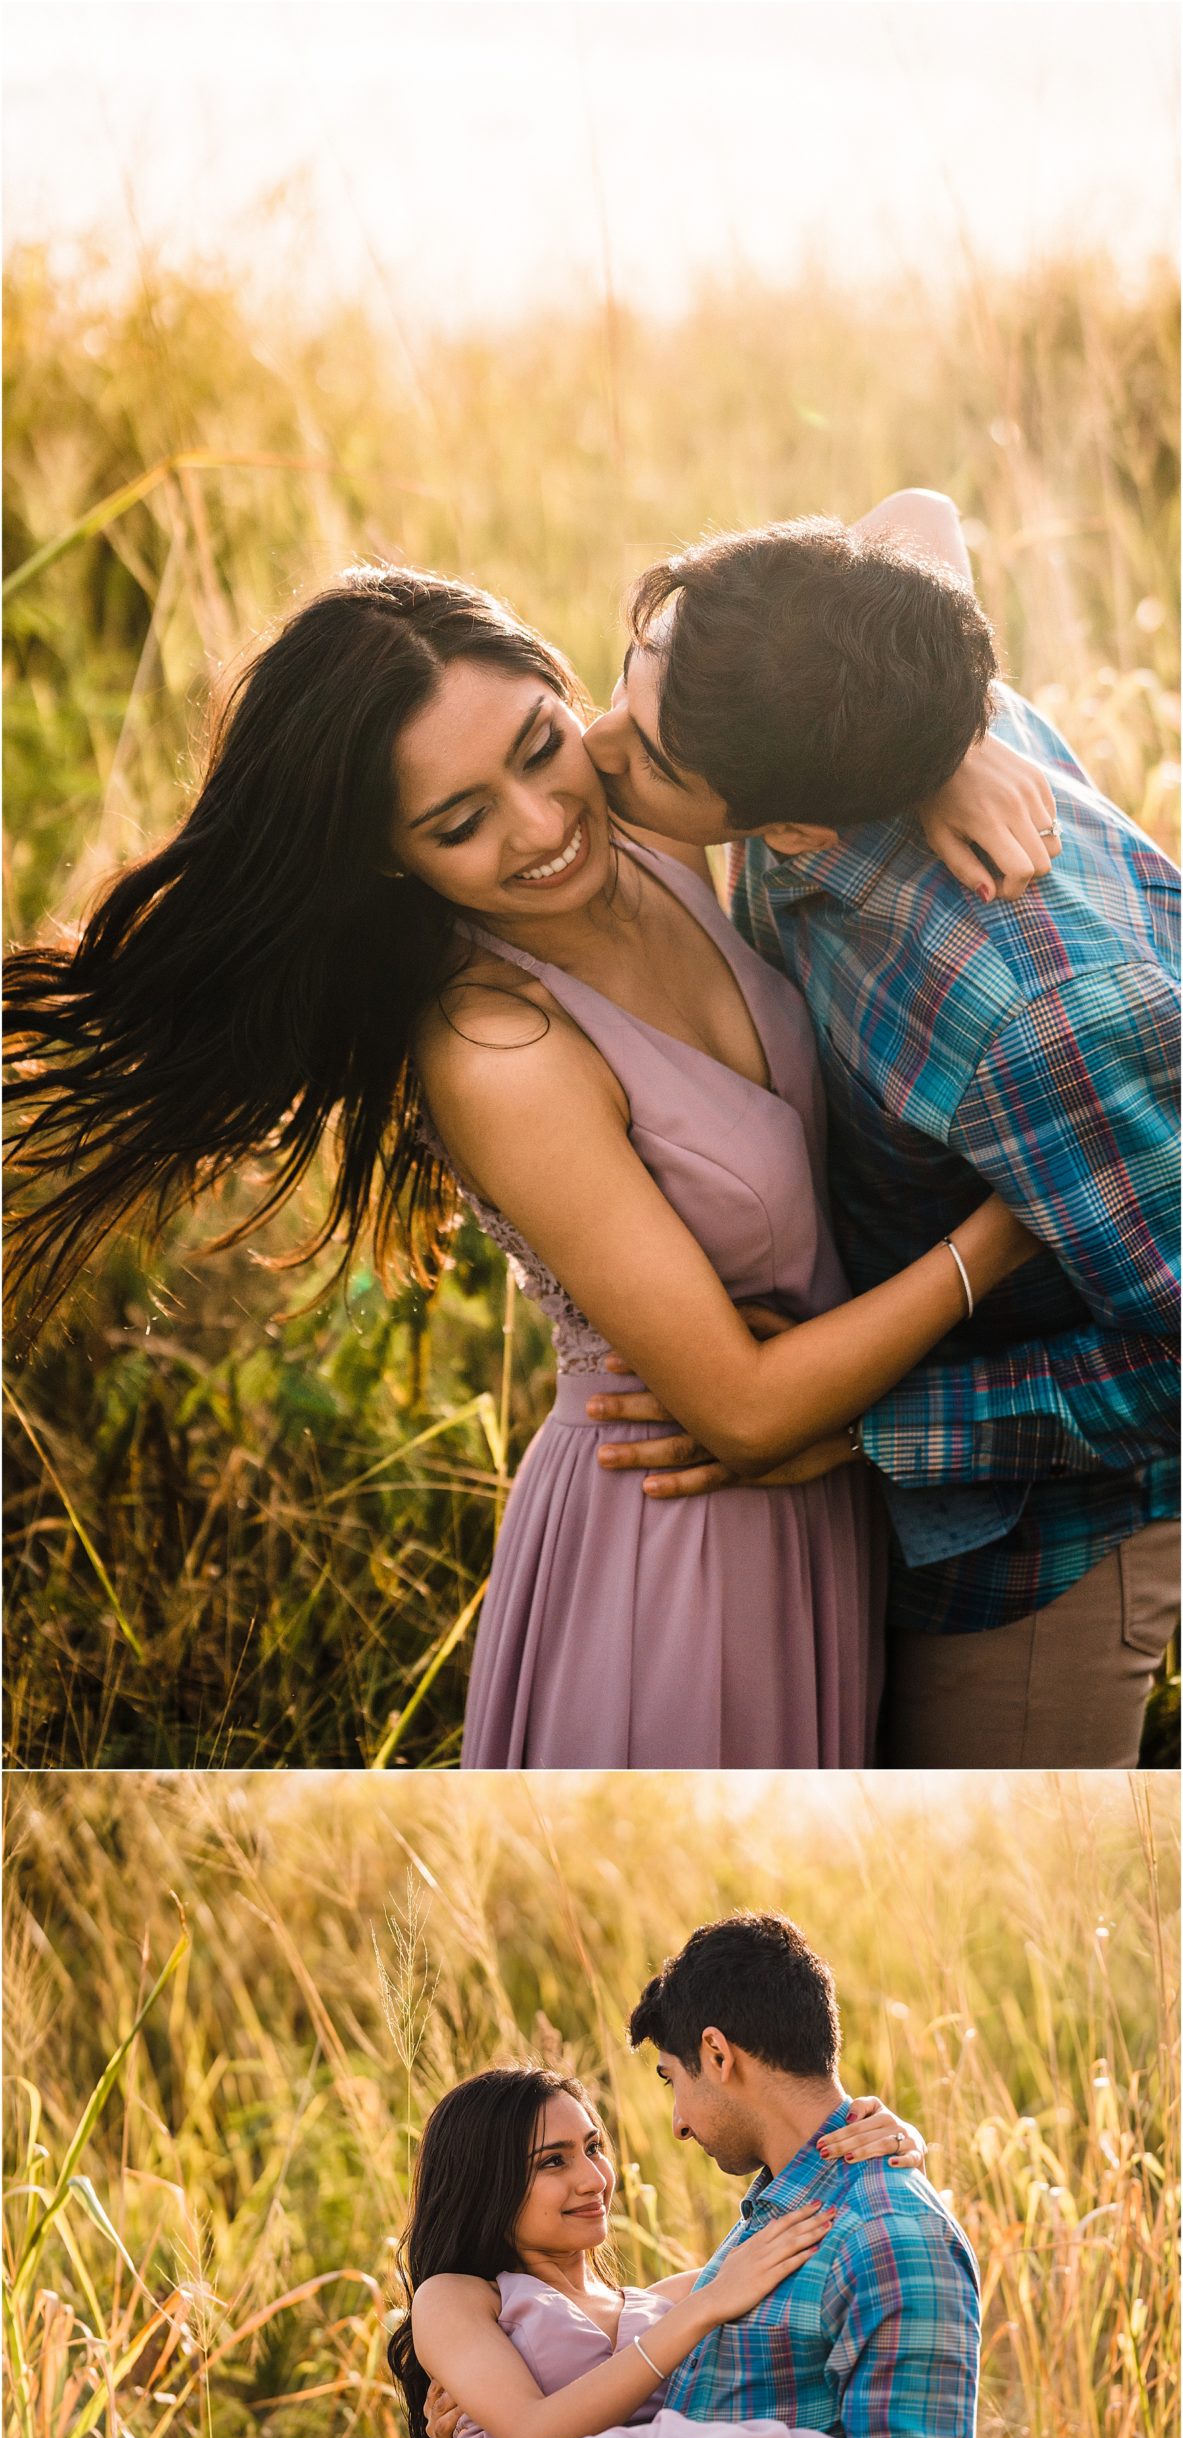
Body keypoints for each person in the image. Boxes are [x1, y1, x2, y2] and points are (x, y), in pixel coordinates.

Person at [4, 511, 1041, 1769]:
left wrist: (949, 744)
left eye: (539, 747)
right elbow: (747, 1413)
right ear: (389, 861)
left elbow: (906, 537)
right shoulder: (499, 1047)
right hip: (680, 1545)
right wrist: (1007, 1226)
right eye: (458, 824)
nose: (542, 825)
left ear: (561, 688)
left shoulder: (640, 816)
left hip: (832, 1501)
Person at [583, 490, 1180, 1768]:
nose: (592, 750)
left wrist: (863, 1425)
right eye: (624, 686)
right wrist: (956, 739)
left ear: (796, 827)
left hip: (1028, 1561)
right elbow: (915, 513)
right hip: (885, 1504)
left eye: (647, 757)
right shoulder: (864, 709)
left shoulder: (1031, 1020)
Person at [372, 2060, 921, 2438]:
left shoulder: (673, 2299)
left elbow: (830, 2232)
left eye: (593, 2148)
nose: (593, 2180)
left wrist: (896, 2146)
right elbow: (532, 2430)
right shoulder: (457, 2296)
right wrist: (702, 2309)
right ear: (486, 2185)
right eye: (553, 2162)